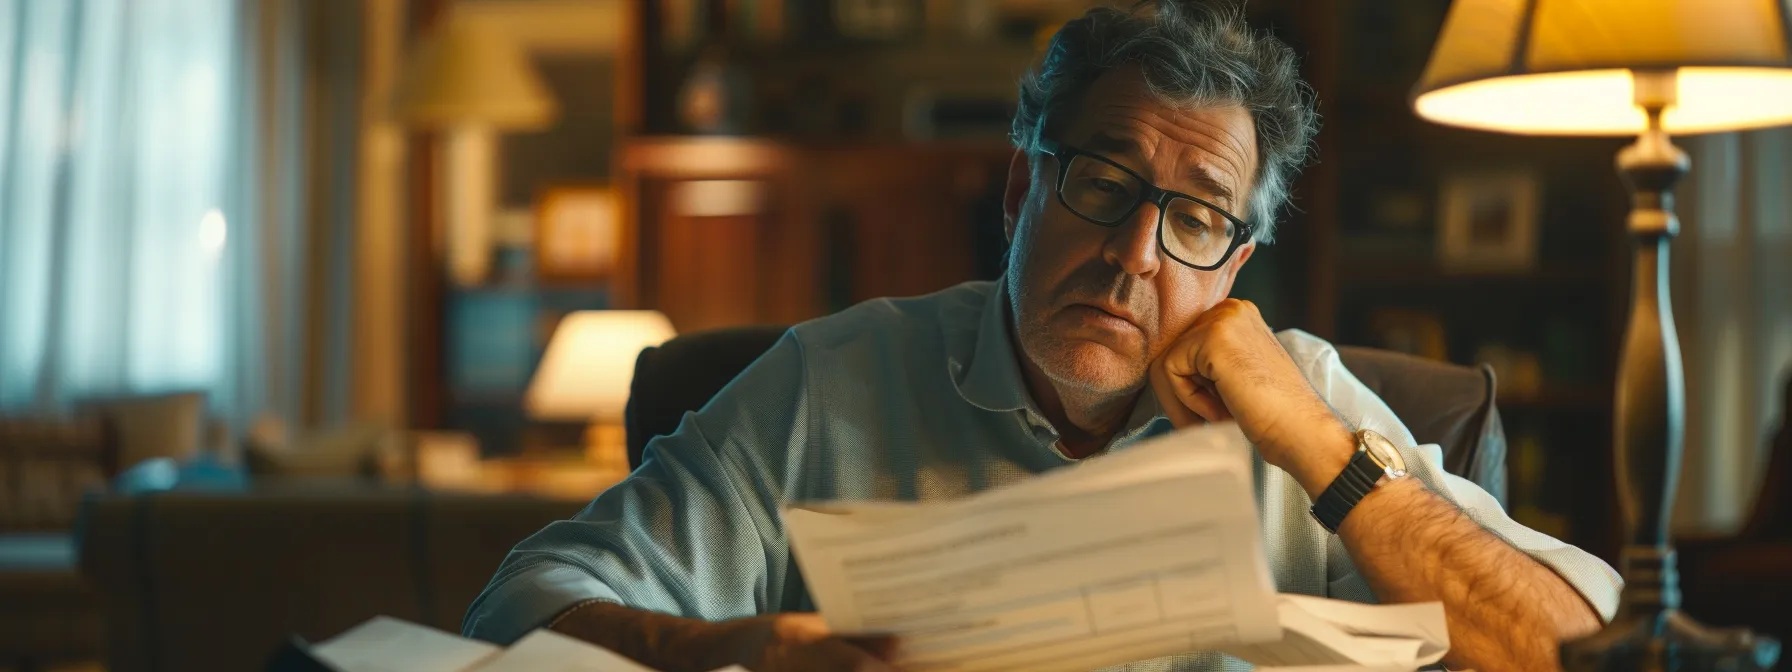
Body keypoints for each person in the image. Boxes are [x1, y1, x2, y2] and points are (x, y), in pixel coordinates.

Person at [464, 2, 1619, 670]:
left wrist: (1320, 451)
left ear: (1237, 264)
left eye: (1198, 219)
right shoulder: (829, 383)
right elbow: (520, 610)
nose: (1134, 256)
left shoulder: (1308, 403)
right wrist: (743, 651)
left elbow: (1577, 653)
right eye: (1103, 184)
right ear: (1022, 195)